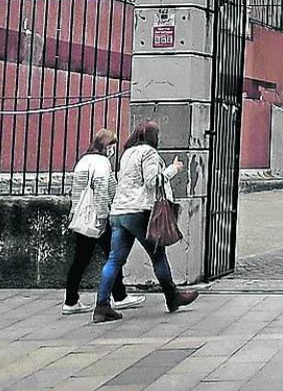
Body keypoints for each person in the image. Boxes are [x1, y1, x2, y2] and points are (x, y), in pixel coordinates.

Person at [93, 121, 197, 324]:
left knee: (114, 260)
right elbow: (152, 181)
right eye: (157, 134)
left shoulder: (127, 153)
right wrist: (173, 169)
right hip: (138, 211)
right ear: (151, 136)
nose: (159, 137)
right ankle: (172, 296)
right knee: (158, 255)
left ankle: (102, 305)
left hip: (119, 211)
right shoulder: (148, 152)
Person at [63, 129, 146, 315]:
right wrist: (102, 217)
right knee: (114, 257)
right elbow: (101, 190)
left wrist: (74, 211)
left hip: (82, 217)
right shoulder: (102, 163)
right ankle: (119, 296)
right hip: (99, 218)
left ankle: (71, 300)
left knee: (80, 260)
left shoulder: (83, 161)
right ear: (107, 146)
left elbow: (76, 191)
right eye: (112, 146)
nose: (113, 150)